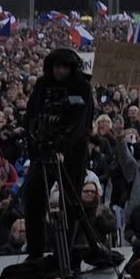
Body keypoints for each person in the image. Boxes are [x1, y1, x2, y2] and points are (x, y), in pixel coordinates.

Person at [23, 46, 95, 260]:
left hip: (73, 154)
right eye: (56, 66)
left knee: (71, 201)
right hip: (43, 152)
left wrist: (63, 147)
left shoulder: (81, 87)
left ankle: (65, 252)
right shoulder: (43, 85)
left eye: (64, 67)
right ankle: (34, 251)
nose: (59, 71)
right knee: (33, 197)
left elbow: (81, 122)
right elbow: (31, 115)